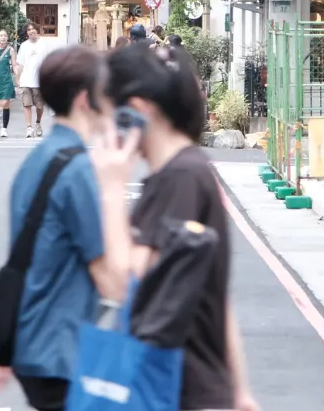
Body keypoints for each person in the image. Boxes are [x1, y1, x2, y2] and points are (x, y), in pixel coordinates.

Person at [91, 46, 258, 411]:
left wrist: (111, 190)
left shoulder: (178, 179)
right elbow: (213, 294)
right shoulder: (185, 170)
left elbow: (127, 281)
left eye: (107, 118)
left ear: (135, 111)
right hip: (193, 387)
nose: (102, 132)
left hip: (177, 389)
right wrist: (239, 390)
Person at [0, 47, 130, 410]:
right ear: (84, 99)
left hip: (36, 342)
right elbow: (111, 276)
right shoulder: (78, 170)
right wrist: (114, 188)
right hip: (63, 349)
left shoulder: (39, 160)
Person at [17, 22, 47, 137]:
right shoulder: (24, 46)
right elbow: (20, 64)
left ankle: (38, 123)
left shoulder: (43, 45)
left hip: (39, 82)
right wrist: (18, 79)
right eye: (29, 30)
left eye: (33, 28)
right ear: (27, 33)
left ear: (37, 30)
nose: (31, 31)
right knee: (27, 105)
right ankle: (29, 127)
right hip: (26, 81)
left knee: (40, 106)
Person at [0, 29, 18, 138]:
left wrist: (18, 76)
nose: (3, 37)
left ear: (7, 38)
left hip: (6, 80)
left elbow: (14, 64)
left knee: (5, 103)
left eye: (5, 36)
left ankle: (4, 129)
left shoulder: (10, 50)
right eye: (1, 35)